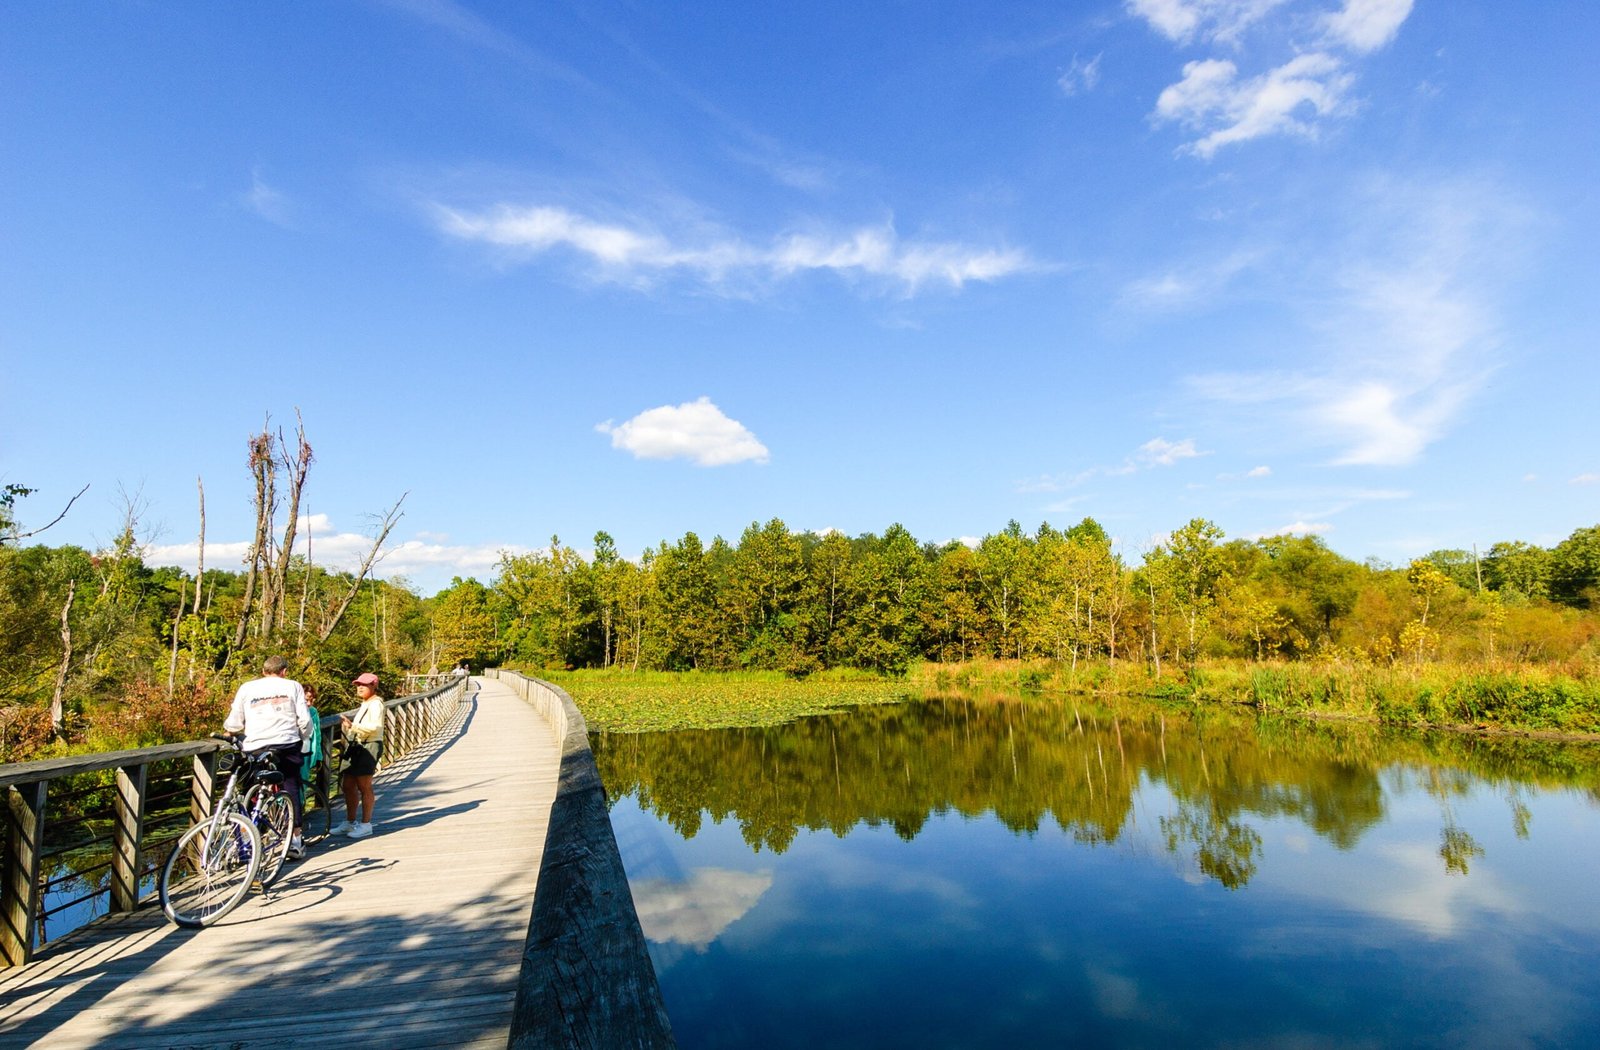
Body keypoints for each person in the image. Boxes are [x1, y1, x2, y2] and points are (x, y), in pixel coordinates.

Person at [224, 654, 312, 859]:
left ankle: (247, 841)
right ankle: (295, 841)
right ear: (284, 672)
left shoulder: (247, 688)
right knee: (290, 787)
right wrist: (303, 737)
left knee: (250, 791)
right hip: (286, 744)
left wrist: (232, 730)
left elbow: (234, 722)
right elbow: (305, 720)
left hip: (255, 746)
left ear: (263, 671)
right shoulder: (292, 686)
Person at [336, 671, 385, 839]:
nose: (360, 688)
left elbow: (375, 727)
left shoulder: (376, 704)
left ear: (373, 686)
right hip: (358, 745)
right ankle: (350, 822)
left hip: (369, 745)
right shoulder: (366, 703)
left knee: (364, 786)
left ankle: (366, 824)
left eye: (364, 685)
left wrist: (352, 727)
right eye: (358, 685)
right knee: (348, 784)